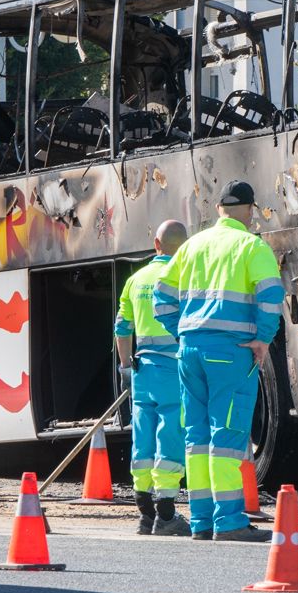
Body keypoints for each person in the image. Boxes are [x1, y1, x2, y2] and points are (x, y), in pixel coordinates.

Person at [153, 180, 282, 542]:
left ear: (218, 210)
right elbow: (271, 295)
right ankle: (229, 522)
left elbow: (161, 296)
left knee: (195, 437)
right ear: (249, 210)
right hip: (231, 352)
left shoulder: (193, 245)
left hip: (190, 350)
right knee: (226, 436)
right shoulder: (250, 245)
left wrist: (182, 330)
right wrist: (263, 338)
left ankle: (201, 521)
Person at [115, 220, 191, 537]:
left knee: (143, 436)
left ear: (156, 245)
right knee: (170, 434)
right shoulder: (185, 277)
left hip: (142, 370)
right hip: (174, 368)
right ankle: (167, 512)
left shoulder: (135, 280)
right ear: (183, 247)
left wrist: (124, 367)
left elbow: (121, 328)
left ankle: (145, 513)